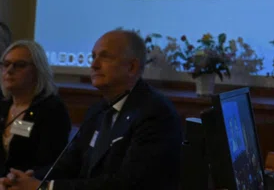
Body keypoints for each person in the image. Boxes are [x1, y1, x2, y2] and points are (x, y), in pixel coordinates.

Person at [2, 30, 182, 190]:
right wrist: (21, 180)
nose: (94, 65)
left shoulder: (155, 113)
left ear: (132, 67)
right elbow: (67, 164)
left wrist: (46, 187)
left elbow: (129, 183)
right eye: (93, 56)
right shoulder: (98, 111)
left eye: (105, 57)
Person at [0, 41, 70, 178]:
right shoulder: (3, 104)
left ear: (38, 70)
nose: (9, 70)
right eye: (6, 64)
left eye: (19, 65)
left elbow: (50, 163)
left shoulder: (51, 109)